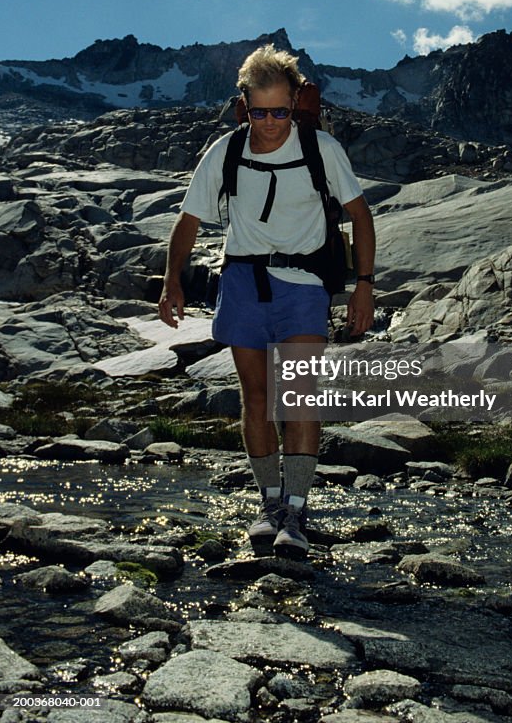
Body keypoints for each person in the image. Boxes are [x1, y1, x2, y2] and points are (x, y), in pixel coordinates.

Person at [158, 44, 375, 560]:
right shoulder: (226, 151)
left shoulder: (321, 148)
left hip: (303, 285)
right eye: (260, 112)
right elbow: (188, 221)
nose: (272, 122)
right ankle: (269, 504)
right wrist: (172, 282)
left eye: (281, 111)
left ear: (296, 101)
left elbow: (361, 217)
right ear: (244, 106)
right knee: (255, 399)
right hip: (241, 282)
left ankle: (296, 512)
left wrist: (363, 285)